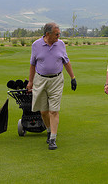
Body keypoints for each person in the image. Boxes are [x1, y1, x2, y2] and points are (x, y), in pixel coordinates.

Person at [26, 22, 77, 150]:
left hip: (56, 80)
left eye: (59, 34)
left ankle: (53, 139)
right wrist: (30, 82)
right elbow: (32, 64)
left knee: (54, 111)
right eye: (56, 34)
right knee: (44, 111)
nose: (59, 36)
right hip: (40, 80)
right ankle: (49, 130)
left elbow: (66, 61)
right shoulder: (36, 45)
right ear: (47, 34)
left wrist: (73, 78)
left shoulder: (60, 44)